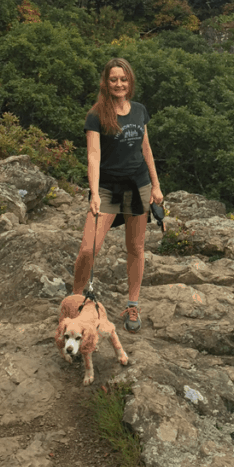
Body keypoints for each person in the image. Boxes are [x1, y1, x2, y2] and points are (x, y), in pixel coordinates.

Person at [73, 58, 163, 332]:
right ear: (106, 82)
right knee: (89, 249)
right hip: (108, 188)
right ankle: (76, 302)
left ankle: (133, 305)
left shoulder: (139, 111)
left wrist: (157, 186)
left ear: (130, 81)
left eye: (123, 79)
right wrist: (94, 193)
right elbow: (93, 155)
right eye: (113, 79)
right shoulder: (97, 115)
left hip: (138, 185)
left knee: (136, 248)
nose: (119, 84)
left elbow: (146, 149)